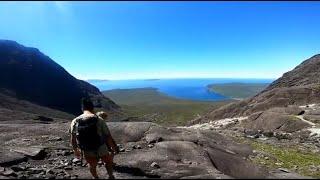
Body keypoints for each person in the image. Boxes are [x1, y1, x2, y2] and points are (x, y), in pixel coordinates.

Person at [69, 98, 119, 179]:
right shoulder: (99, 119)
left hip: (86, 149)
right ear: (93, 108)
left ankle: (95, 177)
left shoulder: (75, 121)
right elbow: (108, 136)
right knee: (108, 162)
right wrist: (113, 148)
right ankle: (110, 176)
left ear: (82, 108)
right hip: (101, 147)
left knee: (92, 165)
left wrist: (75, 150)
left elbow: (73, 138)